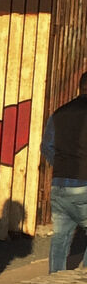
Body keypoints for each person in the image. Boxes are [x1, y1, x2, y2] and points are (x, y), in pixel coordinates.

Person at [42, 69, 87, 272]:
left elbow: (46, 146)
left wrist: (61, 164)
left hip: (59, 183)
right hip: (84, 184)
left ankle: (53, 282)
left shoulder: (59, 113)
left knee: (60, 239)